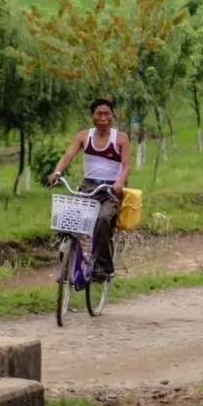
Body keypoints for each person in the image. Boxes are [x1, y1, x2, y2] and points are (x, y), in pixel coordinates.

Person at [47, 98, 131, 281]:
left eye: (107, 114)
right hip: (88, 187)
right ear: (92, 116)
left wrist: (119, 183)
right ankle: (68, 252)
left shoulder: (121, 138)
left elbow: (125, 166)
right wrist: (57, 172)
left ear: (112, 116)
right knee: (67, 218)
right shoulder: (84, 136)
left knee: (102, 220)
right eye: (99, 114)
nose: (103, 118)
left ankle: (104, 267)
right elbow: (68, 155)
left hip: (110, 191)